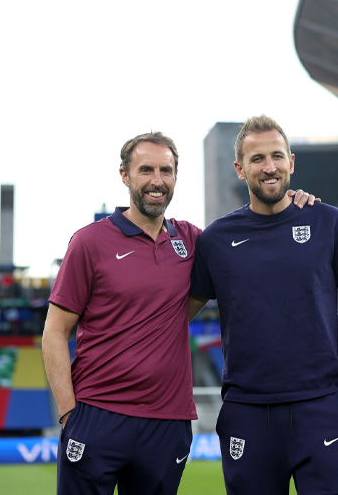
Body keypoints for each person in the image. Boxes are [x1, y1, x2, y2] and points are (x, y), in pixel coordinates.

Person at [42, 131, 316, 495]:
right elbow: (54, 332)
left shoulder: (192, 241)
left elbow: (252, 240)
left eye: (166, 171)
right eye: (146, 170)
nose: (157, 181)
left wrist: (290, 204)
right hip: (97, 415)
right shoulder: (89, 242)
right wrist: (68, 413)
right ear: (125, 176)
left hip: (167, 423)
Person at [188, 115, 338, 495]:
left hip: (322, 406)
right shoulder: (216, 240)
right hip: (247, 412)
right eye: (257, 159)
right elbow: (175, 317)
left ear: (292, 162)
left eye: (276, 156)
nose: (269, 167)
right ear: (240, 169)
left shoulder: (330, 222)